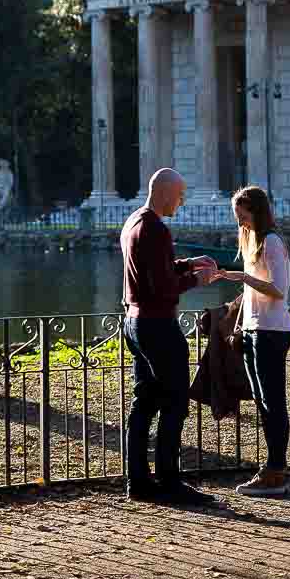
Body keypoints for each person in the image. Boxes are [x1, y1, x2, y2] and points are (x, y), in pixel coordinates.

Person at [121, 168, 218, 505]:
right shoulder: (157, 229)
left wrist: (188, 263)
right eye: (180, 194)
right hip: (158, 325)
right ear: (165, 193)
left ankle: (138, 482)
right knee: (175, 402)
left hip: (134, 323)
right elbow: (161, 288)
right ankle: (169, 481)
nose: (183, 200)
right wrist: (198, 281)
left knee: (145, 403)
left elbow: (153, 270)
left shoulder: (134, 221)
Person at [212, 185, 290, 497]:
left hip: (272, 331)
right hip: (254, 330)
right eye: (237, 217)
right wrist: (239, 327)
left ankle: (275, 470)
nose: (240, 222)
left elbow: (278, 289)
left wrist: (243, 277)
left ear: (256, 211)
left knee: (273, 402)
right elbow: (251, 295)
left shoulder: (271, 241)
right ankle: (275, 466)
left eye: (242, 216)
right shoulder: (252, 242)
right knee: (263, 402)